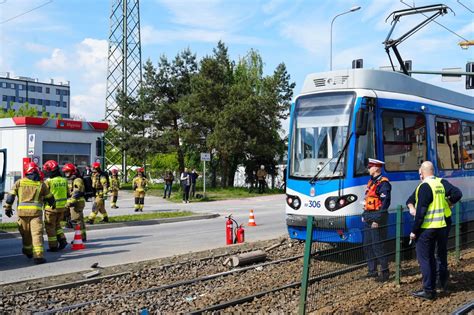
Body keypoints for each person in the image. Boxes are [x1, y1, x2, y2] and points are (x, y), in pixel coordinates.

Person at [408, 161, 462, 300]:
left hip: (427, 228)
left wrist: (414, 231)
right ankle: (438, 284)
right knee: (438, 255)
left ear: (423, 173)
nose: (419, 176)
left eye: (420, 173)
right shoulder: (440, 184)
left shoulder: (425, 186)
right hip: (441, 225)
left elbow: (421, 213)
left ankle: (429, 290)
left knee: (425, 259)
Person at [3, 162, 55, 264]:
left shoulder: (19, 182)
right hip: (36, 214)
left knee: (25, 234)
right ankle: (38, 256)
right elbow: (50, 198)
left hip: (22, 214)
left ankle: (28, 251)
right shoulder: (41, 184)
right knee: (36, 234)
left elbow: (10, 197)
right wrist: (53, 204)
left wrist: (8, 208)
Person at [362, 158, 391, 283]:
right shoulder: (371, 183)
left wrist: (377, 220)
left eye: (370, 167)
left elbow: (384, 204)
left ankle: (385, 272)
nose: (368, 169)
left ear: (377, 168)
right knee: (367, 245)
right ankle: (372, 270)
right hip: (369, 216)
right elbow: (367, 201)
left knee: (378, 246)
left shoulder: (383, 184)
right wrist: (364, 215)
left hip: (377, 218)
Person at [42, 160, 68, 252]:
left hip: (51, 208)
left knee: (50, 227)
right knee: (57, 225)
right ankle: (62, 240)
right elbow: (67, 193)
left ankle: (53, 246)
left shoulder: (49, 181)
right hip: (62, 208)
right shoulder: (64, 180)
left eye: (47, 170)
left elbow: (44, 194)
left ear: (50, 170)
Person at [63, 163, 87, 242]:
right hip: (73, 201)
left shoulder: (77, 180)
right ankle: (82, 236)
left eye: (68, 171)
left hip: (77, 202)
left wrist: (70, 202)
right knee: (79, 220)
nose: (66, 173)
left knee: (76, 220)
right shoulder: (70, 179)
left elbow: (77, 192)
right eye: (65, 171)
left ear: (72, 171)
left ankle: (79, 237)